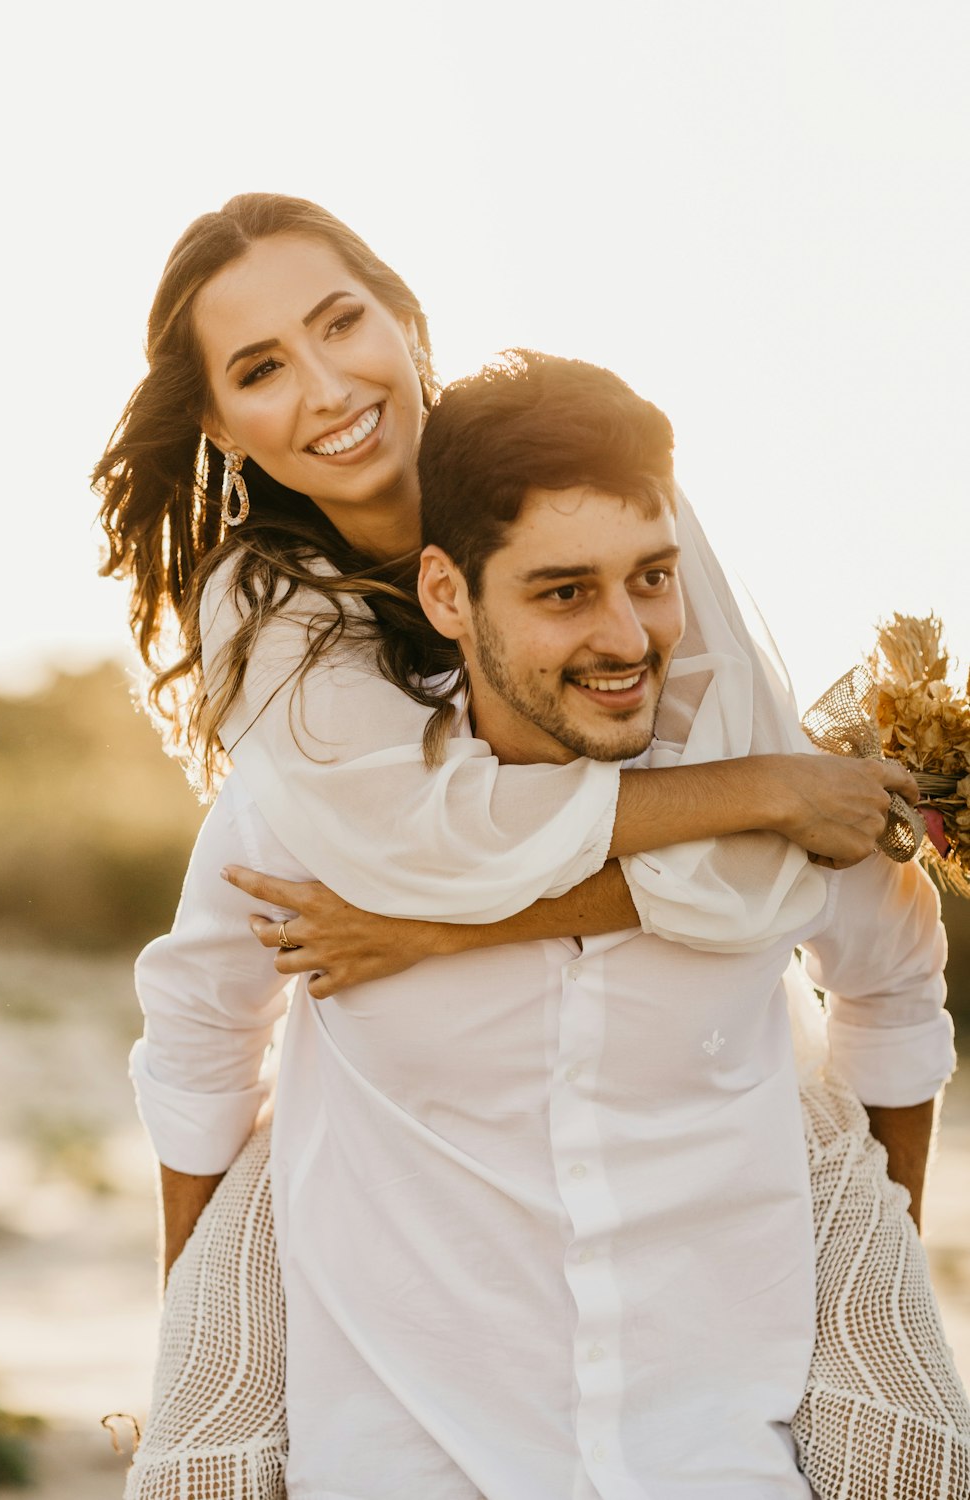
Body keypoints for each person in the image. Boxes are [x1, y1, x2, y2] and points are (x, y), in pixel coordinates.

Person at [90, 196, 962, 1495]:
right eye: (263, 367)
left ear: (405, 316)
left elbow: (834, 921)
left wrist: (864, 1255)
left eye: (342, 322)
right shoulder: (283, 667)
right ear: (218, 423)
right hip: (409, 1420)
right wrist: (207, 1345)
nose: (329, 385)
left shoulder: (597, 496)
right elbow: (387, 875)